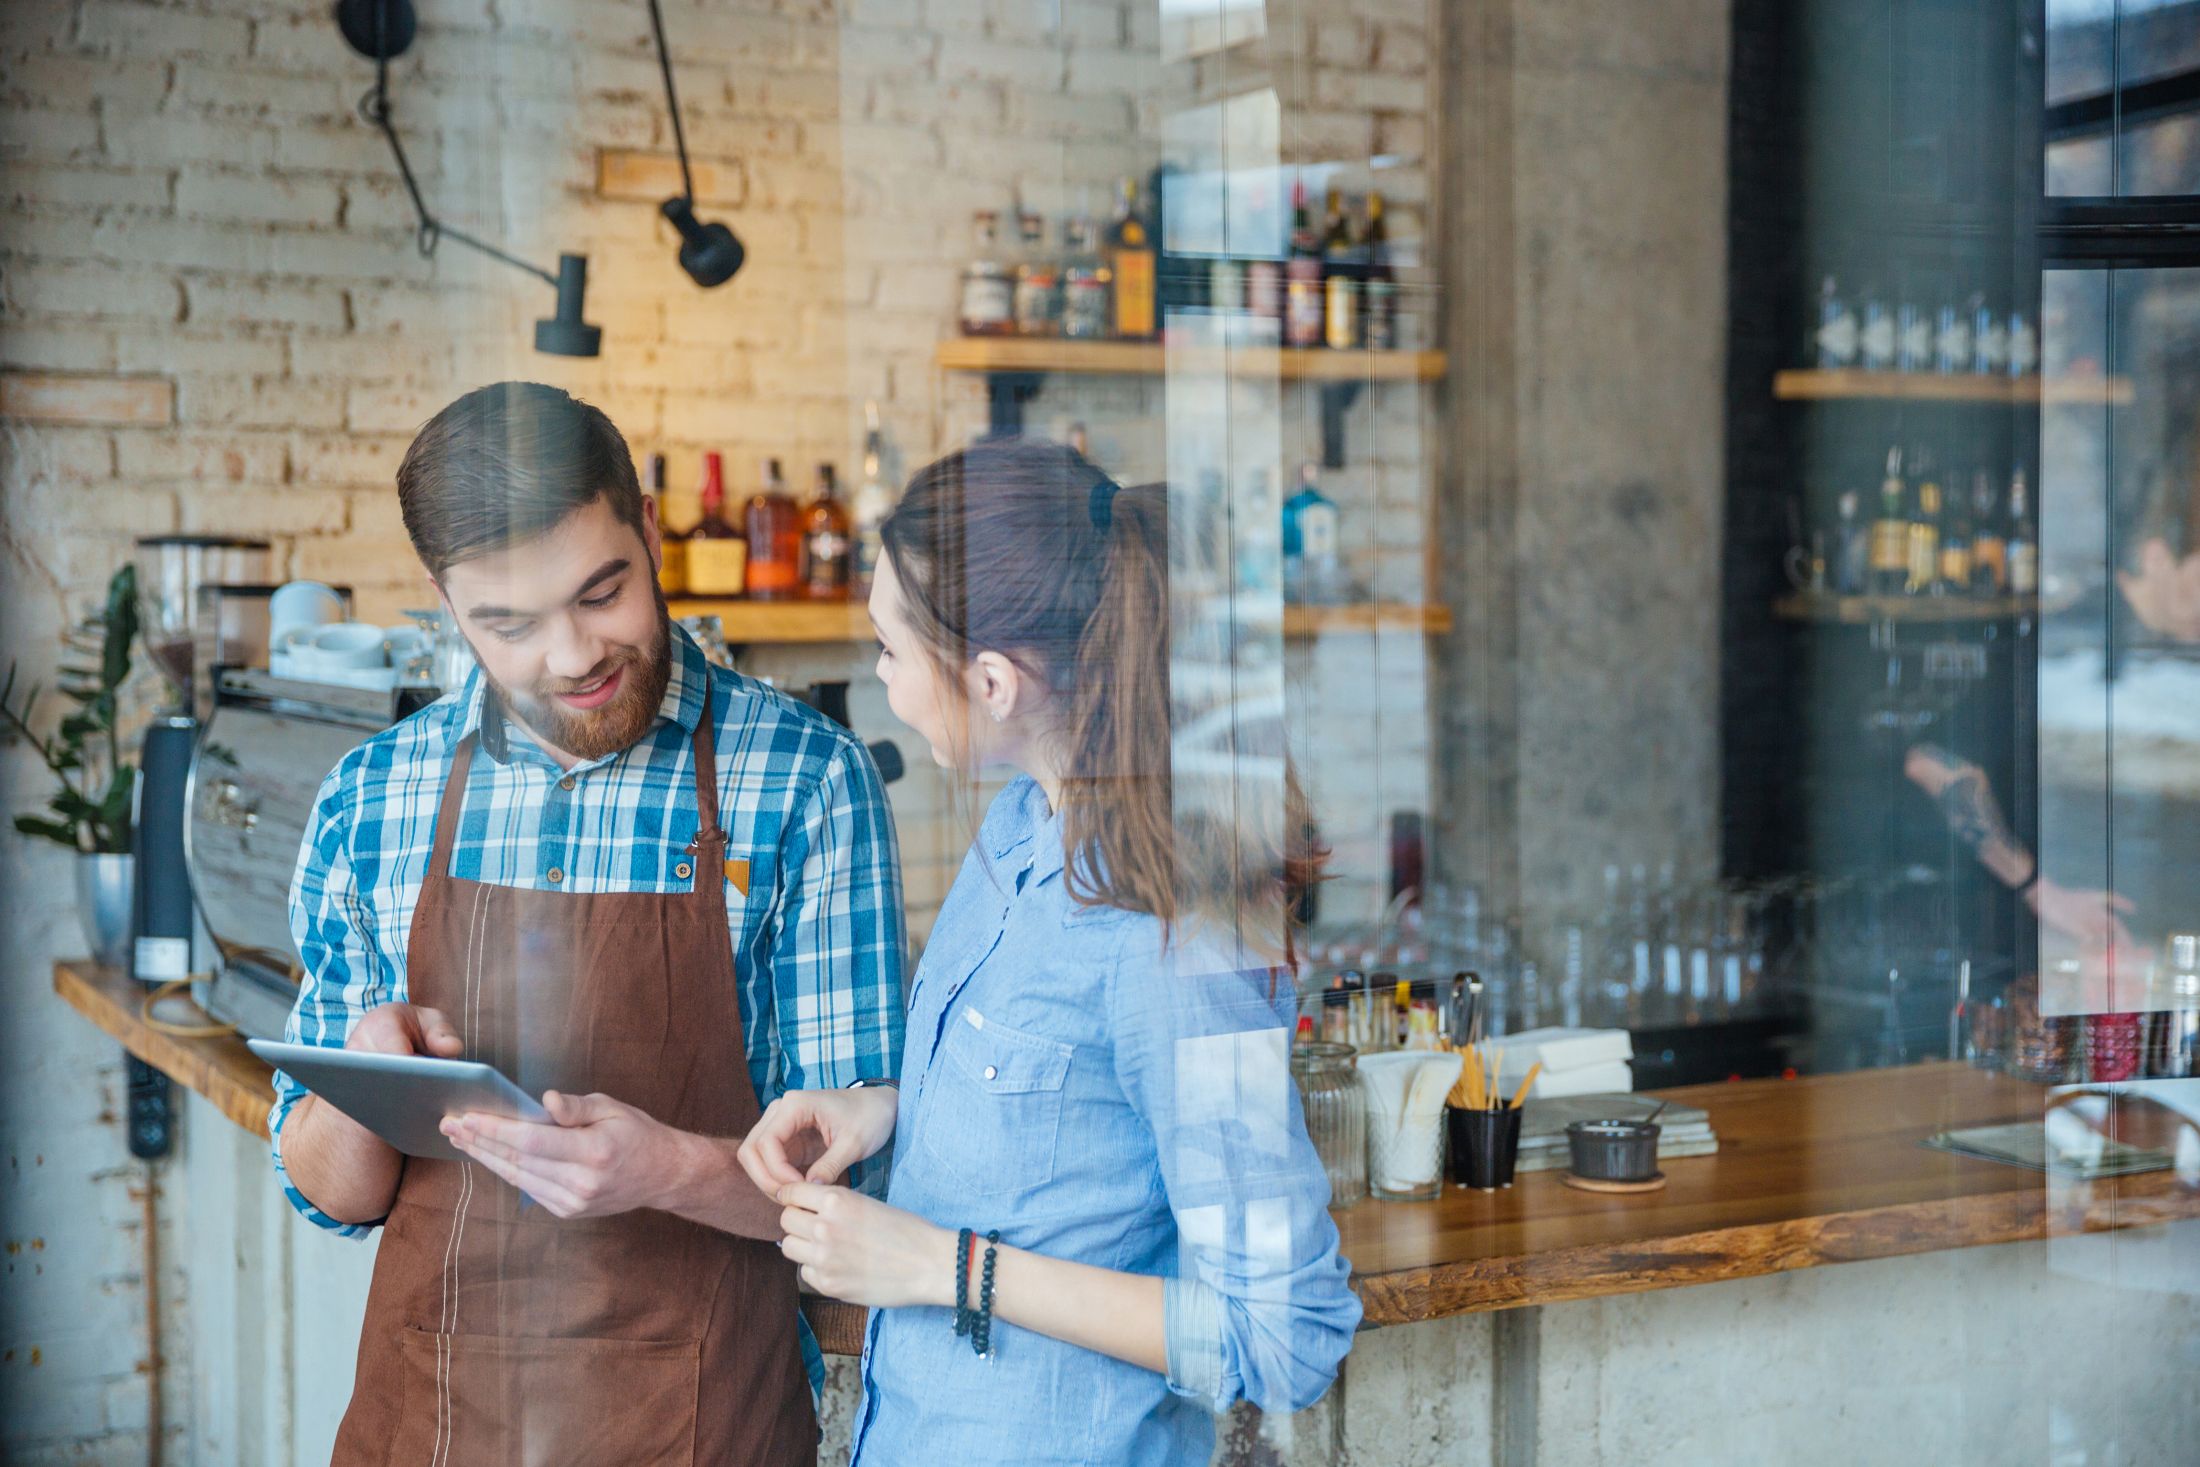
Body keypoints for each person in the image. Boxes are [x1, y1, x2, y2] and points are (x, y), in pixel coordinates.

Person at [270, 382, 905, 1466]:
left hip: (705, 1418)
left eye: (600, 592)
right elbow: (329, 1195)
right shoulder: (369, 797)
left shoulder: (804, 782)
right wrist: (364, 1077)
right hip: (431, 1418)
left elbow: (873, 1202)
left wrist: (664, 1172)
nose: (570, 657)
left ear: (648, 530)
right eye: (507, 624)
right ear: (445, 602)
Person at [736, 440, 1361, 1465]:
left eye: (889, 651)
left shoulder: (1178, 940)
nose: (881, 679)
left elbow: (1285, 1338)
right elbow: (1062, 1118)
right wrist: (886, 1109)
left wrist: (942, 1266)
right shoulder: (1019, 827)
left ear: (990, 682)